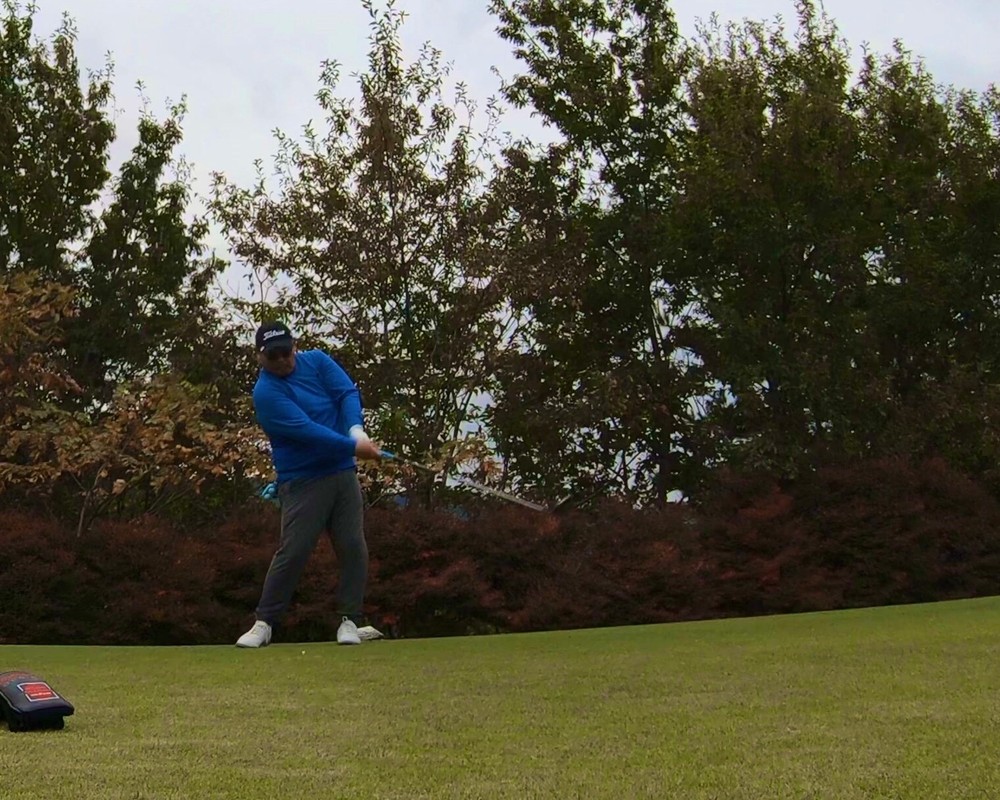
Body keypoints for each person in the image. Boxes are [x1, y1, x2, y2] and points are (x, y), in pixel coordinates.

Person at [236, 321, 382, 648]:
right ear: (260, 357)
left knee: (352, 545)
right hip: (303, 479)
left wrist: (356, 429)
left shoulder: (317, 361)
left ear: (295, 347)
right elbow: (307, 431)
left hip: (341, 474)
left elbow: (346, 393)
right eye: (273, 356)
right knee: (295, 550)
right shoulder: (266, 393)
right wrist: (353, 447)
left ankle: (349, 620)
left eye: (286, 352)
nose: (282, 361)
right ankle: (264, 622)